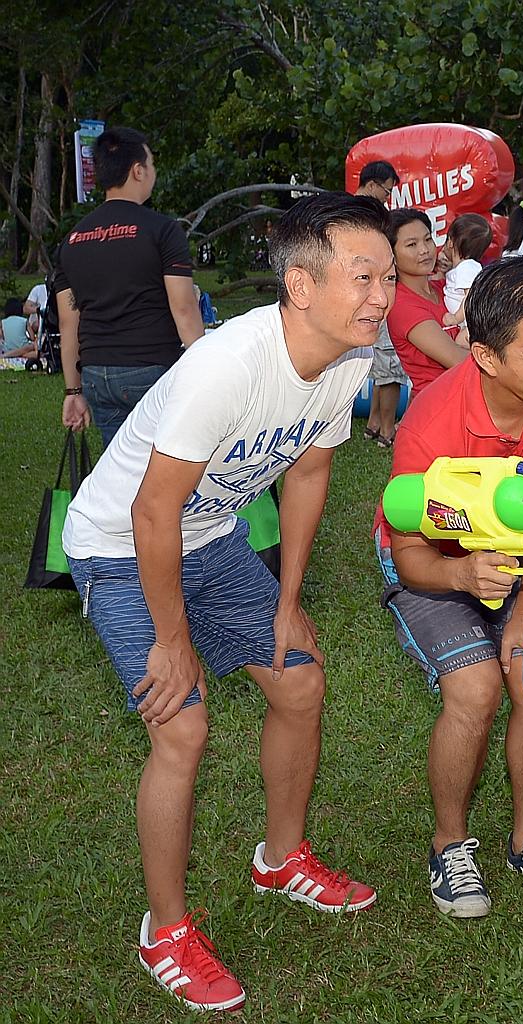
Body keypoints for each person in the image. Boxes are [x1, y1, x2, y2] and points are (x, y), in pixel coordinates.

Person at [60, 192, 388, 1012]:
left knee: (300, 680)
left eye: (387, 276)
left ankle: (280, 859)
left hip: (208, 537)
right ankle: (165, 932)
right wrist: (173, 642)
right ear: (301, 285)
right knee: (183, 724)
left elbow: (309, 470)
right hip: (119, 543)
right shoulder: (228, 364)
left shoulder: (348, 357)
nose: (383, 296)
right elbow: (151, 512)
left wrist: (286, 598)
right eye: (364, 277)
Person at [376, 256, 523, 918]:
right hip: (436, 557)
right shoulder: (433, 426)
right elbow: (412, 552)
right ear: (484, 356)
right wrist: (462, 573)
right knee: (476, 688)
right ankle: (449, 843)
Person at [56, 126, 205, 448]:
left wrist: (73, 391)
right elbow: (184, 309)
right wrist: (206, 370)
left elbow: (69, 324)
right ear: (138, 170)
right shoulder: (163, 230)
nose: (153, 171)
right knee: (167, 466)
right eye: (151, 164)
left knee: (121, 465)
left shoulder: (72, 240)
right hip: (151, 369)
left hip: (96, 376)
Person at [353, 160, 408, 448]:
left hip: (357, 298)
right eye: (386, 191)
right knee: (390, 368)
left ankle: (373, 424)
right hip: (376, 297)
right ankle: (387, 431)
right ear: (372, 185)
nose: (388, 198)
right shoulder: (370, 217)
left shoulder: (345, 211)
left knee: (379, 367)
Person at [386, 208, 464, 391]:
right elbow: (455, 358)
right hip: (438, 401)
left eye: (428, 239)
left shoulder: (446, 288)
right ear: (392, 256)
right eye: (412, 244)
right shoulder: (402, 305)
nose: (424, 250)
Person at [441, 213, 494, 327]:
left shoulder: (466, 268)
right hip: (467, 324)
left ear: (450, 242)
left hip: (469, 326)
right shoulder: (465, 267)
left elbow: (470, 297)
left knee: (460, 338)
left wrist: (456, 318)